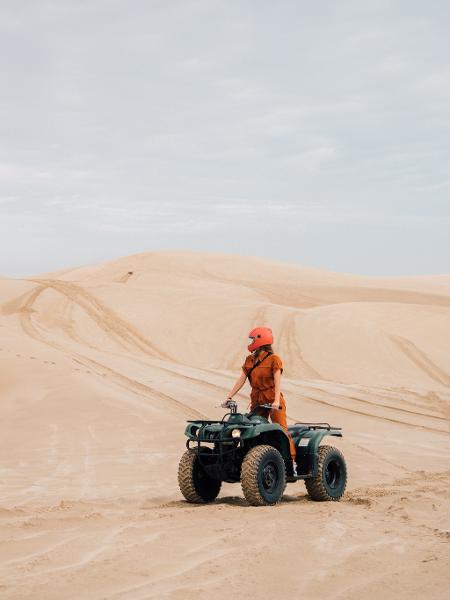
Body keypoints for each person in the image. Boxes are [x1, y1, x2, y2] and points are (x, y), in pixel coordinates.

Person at [224, 326, 297, 474]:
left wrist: (276, 401)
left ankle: (292, 464)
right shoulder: (250, 360)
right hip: (257, 400)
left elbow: (277, 382)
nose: (250, 342)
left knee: (281, 430)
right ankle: (256, 462)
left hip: (272, 398)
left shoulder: (274, 360)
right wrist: (229, 396)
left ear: (260, 340)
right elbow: (242, 379)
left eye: (252, 339)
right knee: (254, 430)